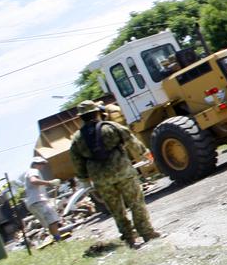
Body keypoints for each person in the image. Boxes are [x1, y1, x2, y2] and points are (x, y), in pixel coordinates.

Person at [68, 101, 160, 249]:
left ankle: (129, 239)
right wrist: (144, 153)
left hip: (101, 180)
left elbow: (76, 160)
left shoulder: (77, 138)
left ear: (81, 118)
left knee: (116, 210)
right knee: (136, 203)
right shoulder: (111, 127)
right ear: (97, 112)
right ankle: (147, 233)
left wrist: (84, 179)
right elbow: (130, 139)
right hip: (123, 172)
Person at [22, 156, 70, 243]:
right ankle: (58, 240)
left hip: (32, 202)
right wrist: (49, 183)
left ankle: (57, 240)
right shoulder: (33, 171)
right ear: (36, 164)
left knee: (49, 222)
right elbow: (33, 180)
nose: (42, 167)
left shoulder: (29, 172)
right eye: (41, 164)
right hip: (37, 200)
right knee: (53, 220)